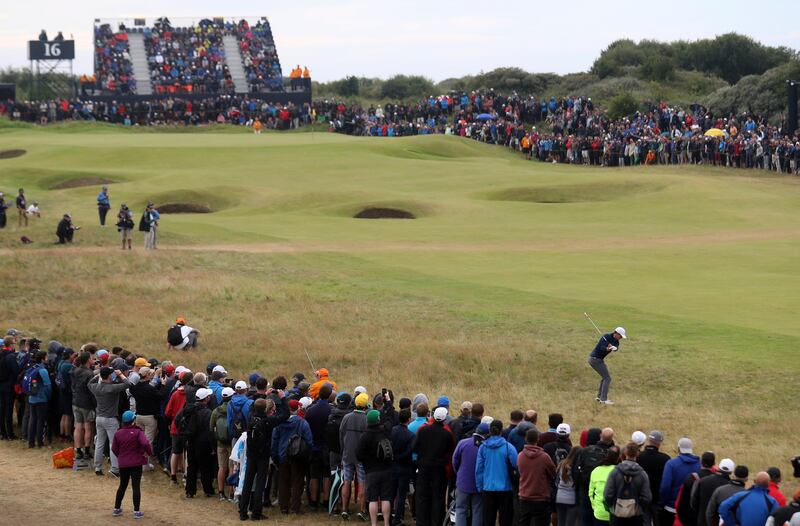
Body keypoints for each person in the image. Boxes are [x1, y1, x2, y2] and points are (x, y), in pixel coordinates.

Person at [239, 393, 289, 521]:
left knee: (247, 483)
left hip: (251, 454)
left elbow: (251, 406)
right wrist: (283, 398)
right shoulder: (268, 421)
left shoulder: (250, 417)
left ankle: (243, 511)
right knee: (260, 484)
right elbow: (285, 415)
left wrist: (262, 395)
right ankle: (256, 513)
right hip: (263, 455)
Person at [414, 406, 456, 526]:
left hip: (423, 468)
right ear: (444, 419)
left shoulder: (423, 430)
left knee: (422, 496)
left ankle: (422, 522)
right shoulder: (447, 434)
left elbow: (414, 447)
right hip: (439, 469)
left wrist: (423, 455)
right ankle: (436, 522)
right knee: (438, 497)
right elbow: (450, 451)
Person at [272, 399, 313, 514]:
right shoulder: (302, 422)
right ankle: (295, 507)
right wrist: (307, 455)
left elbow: (274, 441)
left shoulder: (279, 423)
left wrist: (275, 456)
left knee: (283, 482)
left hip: (282, 456)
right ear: (297, 409)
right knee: (297, 482)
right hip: (298, 456)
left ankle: (284, 507)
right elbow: (309, 441)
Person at [89, 365, 131, 476]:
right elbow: (128, 384)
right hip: (110, 419)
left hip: (99, 418)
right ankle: (115, 469)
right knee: (113, 444)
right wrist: (121, 374)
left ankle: (97, 467)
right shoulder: (112, 388)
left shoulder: (96, 387)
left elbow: (89, 384)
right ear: (109, 376)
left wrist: (97, 376)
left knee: (99, 443)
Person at [475, 419, 517, 526]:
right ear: (501, 430)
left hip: (488, 488)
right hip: (505, 488)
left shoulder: (483, 447)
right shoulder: (509, 448)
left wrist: (480, 486)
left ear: (490, 431)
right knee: (505, 519)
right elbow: (516, 466)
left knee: (488, 519)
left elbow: (479, 469)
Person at [111, 410, 152, 519]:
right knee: (136, 487)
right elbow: (145, 443)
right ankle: (136, 511)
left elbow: (114, 449)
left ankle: (116, 509)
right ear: (133, 421)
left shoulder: (118, 433)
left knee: (122, 485)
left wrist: (121, 456)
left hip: (123, 463)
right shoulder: (138, 432)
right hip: (136, 463)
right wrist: (148, 453)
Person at [356, 409, 394, 526]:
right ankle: (386, 523)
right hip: (386, 469)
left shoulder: (364, 436)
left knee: (372, 499)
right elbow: (390, 420)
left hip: (371, 471)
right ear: (378, 420)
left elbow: (358, 455)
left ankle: (374, 524)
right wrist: (388, 403)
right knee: (386, 498)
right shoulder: (385, 432)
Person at [180, 387, 216, 498]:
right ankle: (208, 490)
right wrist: (212, 445)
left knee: (192, 466)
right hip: (203, 443)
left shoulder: (189, 409)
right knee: (205, 467)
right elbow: (210, 431)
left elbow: (178, 422)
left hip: (190, 441)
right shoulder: (208, 412)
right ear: (206, 399)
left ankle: (190, 491)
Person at [604, 443, 652, 526]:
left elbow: (607, 495)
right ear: (637, 454)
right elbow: (647, 498)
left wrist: (613, 506)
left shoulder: (614, 472)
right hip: (636, 516)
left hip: (616, 515)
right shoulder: (642, 474)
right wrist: (638, 508)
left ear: (625, 453)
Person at [517, 428, 557, 526]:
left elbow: (520, 471)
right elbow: (553, 473)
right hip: (541, 497)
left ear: (526, 439)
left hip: (524, 495)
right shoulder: (544, 457)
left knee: (524, 522)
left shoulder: (520, 456)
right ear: (538, 439)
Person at [340, 391, 370, 520]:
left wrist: (344, 450)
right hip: (361, 457)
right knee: (362, 482)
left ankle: (344, 509)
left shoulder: (346, 417)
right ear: (365, 406)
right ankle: (362, 510)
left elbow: (341, 435)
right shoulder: (366, 419)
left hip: (347, 454)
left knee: (346, 481)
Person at [452, 421, 488, 526]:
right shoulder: (485, 447)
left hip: (463, 481)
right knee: (477, 510)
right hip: (479, 483)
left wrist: (459, 473)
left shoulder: (463, 443)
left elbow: (455, 461)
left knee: (460, 509)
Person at [304, 383, 333, 511]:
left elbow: (307, 427)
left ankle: (314, 501)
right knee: (327, 475)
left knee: (314, 476)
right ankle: (326, 500)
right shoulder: (332, 410)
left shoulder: (311, 410)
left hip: (314, 446)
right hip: (327, 446)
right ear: (329, 396)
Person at [659, 437, 700, 524]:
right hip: (691, 510)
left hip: (671, 508)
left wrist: (662, 503)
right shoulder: (699, 465)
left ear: (678, 449)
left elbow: (665, 486)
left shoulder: (671, 464)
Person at [636, 430, 669, 526]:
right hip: (657, 498)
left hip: (641, 497)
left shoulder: (639, 456)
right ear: (659, 443)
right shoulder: (665, 459)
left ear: (648, 441)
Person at [675, 451, 715, 526]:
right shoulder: (716, 481)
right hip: (708, 521)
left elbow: (682, 501)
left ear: (700, 461)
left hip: (691, 519)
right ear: (714, 464)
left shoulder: (691, 478)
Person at [692, 458, 735, 526]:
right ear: (731, 472)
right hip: (716, 523)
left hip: (701, 520)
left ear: (719, 467)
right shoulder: (729, 487)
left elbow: (693, 501)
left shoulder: (703, 481)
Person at [70, 351, 95, 466]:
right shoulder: (89, 373)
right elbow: (91, 390)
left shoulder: (74, 370)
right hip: (87, 403)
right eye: (91, 358)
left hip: (76, 401)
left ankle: (78, 450)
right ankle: (86, 450)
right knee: (88, 427)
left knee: (78, 426)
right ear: (88, 360)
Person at [588, 326, 626, 404]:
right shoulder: (606, 337)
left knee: (604, 377)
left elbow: (616, 347)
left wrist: (615, 348)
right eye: (620, 336)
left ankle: (599, 397)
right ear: (616, 333)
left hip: (599, 360)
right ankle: (603, 399)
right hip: (594, 359)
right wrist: (607, 348)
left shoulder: (617, 341)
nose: (621, 338)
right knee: (607, 378)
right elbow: (601, 347)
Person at [391, 407, 415, 525]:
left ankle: (389, 515)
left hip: (392, 465)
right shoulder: (410, 435)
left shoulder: (392, 431)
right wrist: (400, 457)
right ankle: (397, 519)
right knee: (401, 494)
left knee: (391, 492)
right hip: (404, 467)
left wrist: (394, 457)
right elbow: (410, 451)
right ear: (409, 420)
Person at [210, 386, 235, 500]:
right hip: (231, 442)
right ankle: (231, 493)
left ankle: (220, 493)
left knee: (222, 467)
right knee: (231, 468)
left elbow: (211, 428)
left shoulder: (216, 411)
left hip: (220, 443)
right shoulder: (233, 410)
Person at [24, 350, 51, 448]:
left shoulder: (33, 368)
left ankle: (31, 442)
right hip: (41, 399)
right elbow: (48, 386)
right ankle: (40, 443)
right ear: (43, 359)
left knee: (32, 419)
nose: (48, 359)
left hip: (32, 398)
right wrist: (49, 397)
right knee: (41, 421)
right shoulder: (43, 370)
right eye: (46, 357)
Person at [590, 446, 621, 526]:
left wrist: (595, 507)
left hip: (599, 512)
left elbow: (591, 493)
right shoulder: (619, 471)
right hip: (615, 513)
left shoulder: (596, 470)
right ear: (618, 458)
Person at [0, 335, 21, 440]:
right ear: (11, 344)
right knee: (8, 411)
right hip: (9, 386)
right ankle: (10, 434)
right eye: (14, 343)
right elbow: (16, 371)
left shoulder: (1, 354)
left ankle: (2, 433)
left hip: (1, 385)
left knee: (2, 410)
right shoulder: (10, 356)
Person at [555, 446, 581, 526]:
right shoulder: (577, 466)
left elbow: (556, 481)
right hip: (571, 498)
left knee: (560, 522)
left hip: (559, 497)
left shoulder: (562, 463)